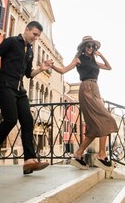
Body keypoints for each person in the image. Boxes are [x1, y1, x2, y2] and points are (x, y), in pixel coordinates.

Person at [0, 21, 51, 176]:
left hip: (20, 89)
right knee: (11, 119)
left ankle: (29, 161)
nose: (36, 38)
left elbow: (28, 74)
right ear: (27, 30)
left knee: (27, 121)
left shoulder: (30, 51)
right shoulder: (11, 42)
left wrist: (41, 69)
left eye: (38, 36)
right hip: (5, 85)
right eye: (35, 34)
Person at [49, 36, 118, 170]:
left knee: (93, 128)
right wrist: (52, 66)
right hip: (86, 89)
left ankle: (78, 154)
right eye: (88, 46)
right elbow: (63, 70)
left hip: (96, 89)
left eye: (93, 46)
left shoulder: (94, 61)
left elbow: (109, 67)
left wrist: (101, 56)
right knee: (106, 119)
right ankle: (101, 155)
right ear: (83, 47)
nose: (91, 48)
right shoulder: (78, 59)